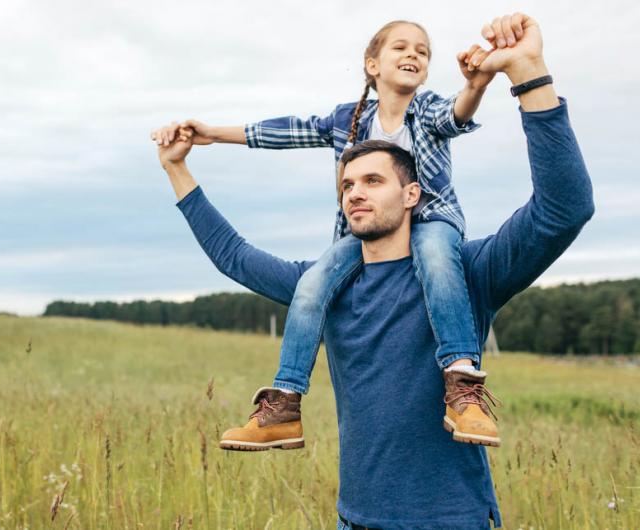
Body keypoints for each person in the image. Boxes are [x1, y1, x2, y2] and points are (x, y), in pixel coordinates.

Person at [156, 14, 594, 529]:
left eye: (373, 180)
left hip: (449, 520)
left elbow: (564, 208)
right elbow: (233, 255)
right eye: (347, 185)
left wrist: (529, 74)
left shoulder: (467, 271)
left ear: (412, 194)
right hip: (355, 520)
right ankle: (282, 404)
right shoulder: (325, 285)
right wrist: (177, 169)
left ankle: (464, 388)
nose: (356, 192)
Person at [152, 19, 502, 450]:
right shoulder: (348, 120)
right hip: (360, 241)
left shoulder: (427, 109)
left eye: (423, 51)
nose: (413, 55)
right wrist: (212, 136)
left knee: (435, 257)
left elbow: (458, 112)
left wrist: (479, 84)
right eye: (401, 48)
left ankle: (462, 385)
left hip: (432, 221)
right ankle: (285, 403)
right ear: (372, 65)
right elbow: (287, 132)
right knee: (312, 283)